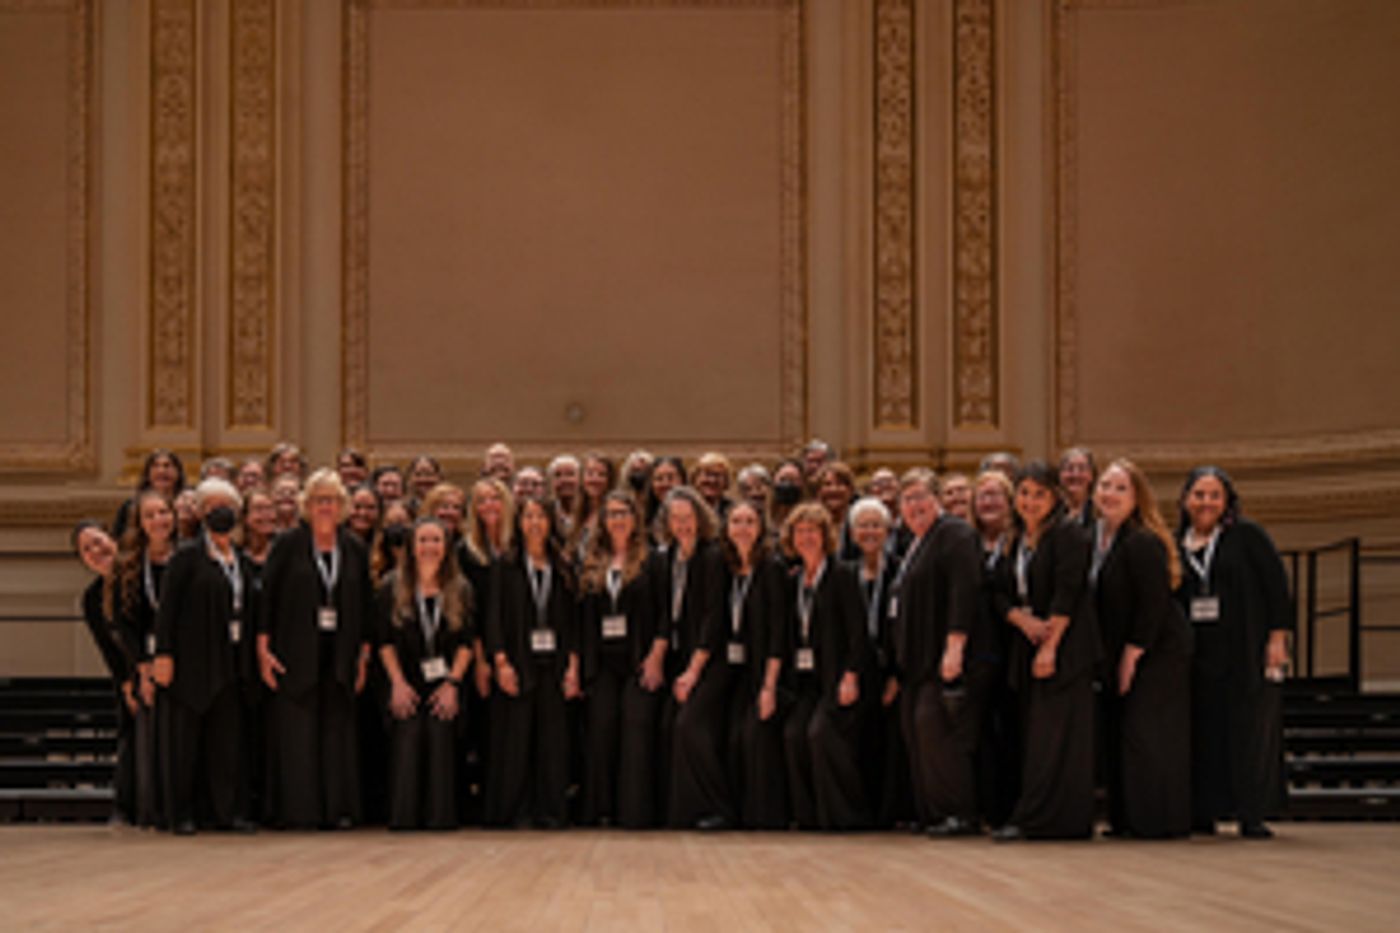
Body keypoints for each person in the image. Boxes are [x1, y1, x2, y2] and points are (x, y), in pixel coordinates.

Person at [1175, 466, 1292, 839]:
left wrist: (1277, 639)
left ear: (1226, 501)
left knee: (1247, 732)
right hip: (1198, 654)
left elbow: (1277, 588)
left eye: (1213, 495)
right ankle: (1205, 810)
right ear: (1185, 500)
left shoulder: (1247, 536)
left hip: (1243, 650)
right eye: (1198, 494)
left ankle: (1251, 812)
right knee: (1204, 733)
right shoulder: (1177, 544)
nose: (1205, 502)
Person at [991, 462, 1100, 841]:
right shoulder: (1015, 539)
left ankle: (1047, 820)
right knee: (1034, 738)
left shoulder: (1069, 535)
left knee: (1054, 739)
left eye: (1039, 494)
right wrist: (1021, 621)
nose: (1030, 501)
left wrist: (1050, 646)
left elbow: (1068, 593)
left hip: (1064, 650)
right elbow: (999, 592)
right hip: (1029, 643)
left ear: (1054, 497)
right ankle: (1036, 816)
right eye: (1024, 493)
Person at [257, 469, 373, 829]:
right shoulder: (288, 544)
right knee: (298, 735)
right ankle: (300, 812)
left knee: (337, 735)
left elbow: (366, 605)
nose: (327, 506)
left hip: (341, 654)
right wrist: (263, 649)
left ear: (343, 506)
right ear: (307, 505)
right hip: (295, 652)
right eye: (320, 500)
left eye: (334, 500)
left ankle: (337, 810)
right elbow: (266, 600)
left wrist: (364, 657)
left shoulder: (353, 547)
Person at [1092, 459, 1192, 839]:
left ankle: (1158, 821)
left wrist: (1132, 657)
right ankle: (1130, 818)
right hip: (1130, 651)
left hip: (1156, 652)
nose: (1110, 494)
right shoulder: (1103, 539)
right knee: (1129, 735)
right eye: (1105, 486)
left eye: (1120, 488)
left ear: (1137, 497)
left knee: (1149, 735)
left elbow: (1153, 604)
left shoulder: (1141, 541)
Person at [151, 479, 257, 834]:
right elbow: (167, 610)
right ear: (200, 512)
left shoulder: (240, 560)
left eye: (226, 505)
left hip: (230, 663)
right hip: (191, 663)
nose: (220, 512)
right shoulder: (186, 556)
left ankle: (227, 813)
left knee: (226, 743)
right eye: (211, 506)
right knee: (186, 743)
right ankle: (181, 814)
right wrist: (162, 654)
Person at [888, 470, 986, 837]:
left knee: (940, 736)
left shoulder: (955, 535)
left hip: (943, 658)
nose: (914, 506)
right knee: (919, 736)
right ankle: (932, 812)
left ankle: (959, 813)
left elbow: (965, 591)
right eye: (907, 499)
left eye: (920, 497)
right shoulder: (916, 542)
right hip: (916, 664)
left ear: (937, 500)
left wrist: (955, 647)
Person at [484, 496, 580, 828]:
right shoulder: (505, 564)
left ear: (551, 521)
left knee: (552, 740)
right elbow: (493, 618)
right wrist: (500, 662)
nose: (535, 522)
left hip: (554, 664)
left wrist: (573, 666)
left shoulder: (564, 566)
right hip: (518, 662)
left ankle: (551, 811)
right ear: (519, 522)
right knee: (517, 739)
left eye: (541, 516)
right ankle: (516, 810)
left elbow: (573, 621)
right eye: (528, 516)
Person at [377, 518, 474, 830]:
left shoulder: (460, 588)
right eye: (422, 540)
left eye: (436, 540)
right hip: (404, 680)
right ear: (411, 547)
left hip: (446, 681)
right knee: (408, 731)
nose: (429, 547)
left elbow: (466, 644)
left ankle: (441, 817)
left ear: (446, 548)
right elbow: (385, 642)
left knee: (440, 729)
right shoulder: (391, 585)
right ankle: (404, 817)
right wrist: (398, 685)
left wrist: (452, 685)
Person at [577, 491, 665, 828]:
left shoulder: (653, 560)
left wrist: (656, 656)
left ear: (635, 518)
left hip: (639, 659)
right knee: (601, 730)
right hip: (602, 663)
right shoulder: (591, 559)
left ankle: (636, 812)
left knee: (636, 728)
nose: (617, 519)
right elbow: (583, 617)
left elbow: (664, 614)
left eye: (624, 513)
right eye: (611, 514)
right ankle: (602, 808)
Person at [780, 503, 870, 830]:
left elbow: (860, 633)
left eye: (813, 531)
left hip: (837, 676)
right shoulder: (793, 580)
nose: (806, 537)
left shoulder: (843, 575)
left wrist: (851, 676)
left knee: (821, 734)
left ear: (825, 535)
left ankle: (841, 815)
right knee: (792, 735)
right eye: (800, 531)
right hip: (805, 680)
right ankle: (808, 815)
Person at [656, 487, 728, 830]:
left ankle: (716, 807)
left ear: (699, 519)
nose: (682, 525)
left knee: (691, 725)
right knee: (670, 724)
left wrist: (693, 671)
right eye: (675, 519)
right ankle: (682, 810)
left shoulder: (712, 557)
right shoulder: (668, 557)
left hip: (710, 660)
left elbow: (714, 619)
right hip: (679, 656)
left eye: (688, 518)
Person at [716, 500, 789, 828]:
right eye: (736, 521)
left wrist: (769, 686)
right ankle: (737, 813)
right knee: (732, 738)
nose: (742, 527)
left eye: (749, 521)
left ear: (760, 528)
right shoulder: (727, 567)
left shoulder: (771, 567)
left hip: (765, 669)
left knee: (756, 738)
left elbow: (779, 630)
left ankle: (765, 816)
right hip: (736, 668)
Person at [845, 496, 910, 828]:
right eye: (863, 525)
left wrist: (897, 675)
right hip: (857, 670)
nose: (869, 531)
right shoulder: (845, 573)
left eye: (876, 525)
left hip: (893, 670)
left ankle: (890, 814)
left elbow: (908, 626)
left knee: (890, 743)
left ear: (888, 530)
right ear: (852, 531)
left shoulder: (902, 571)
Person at [113, 488, 177, 827]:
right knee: (150, 739)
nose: (158, 520)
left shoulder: (187, 557)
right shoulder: (130, 566)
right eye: (150, 515)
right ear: (140, 523)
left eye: (163, 513)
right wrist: (143, 667)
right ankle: (153, 810)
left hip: (181, 659)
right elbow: (125, 624)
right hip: (146, 661)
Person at [73, 522, 138, 824]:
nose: (96, 551)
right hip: (128, 676)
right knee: (129, 737)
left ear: (113, 540)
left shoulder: (139, 575)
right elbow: (107, 647)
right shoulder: (91, 598)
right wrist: (126, 682)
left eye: (98, 542)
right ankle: (126, 808)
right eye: (87, 549)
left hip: (158, 669)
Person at [971, 469, 1020, 828]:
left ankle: (1014, 809)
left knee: (1014, 730)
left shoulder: (1020, 541)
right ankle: (989, 808)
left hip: (1017, 645)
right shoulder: (967, 542)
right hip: (980, 650)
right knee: (983, 732)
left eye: (996, 495)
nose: (988, 502)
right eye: (982, 495)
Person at [112, 449, 186, 541]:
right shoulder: (129, 506)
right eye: (155, 466)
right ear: (148, 474)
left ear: (178, 473)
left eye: (167, 466)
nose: (161, 471)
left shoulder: (187, 505)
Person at [816, 462, 860, 561]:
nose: (833, 489)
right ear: (819, 491)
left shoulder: (860, 522)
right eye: (827, 484)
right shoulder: (811, 523)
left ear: (851, 490)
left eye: (840, 484)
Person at [1059, 447, 1097, 529]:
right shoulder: (1050, 512)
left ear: (1091, 475)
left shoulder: (1100, 513)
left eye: (1082, 469)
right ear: (1060, 475)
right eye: (1070, 468)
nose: (1076, 474)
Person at [692, 452, 735, 521]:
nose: (712, 480)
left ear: (726, 482)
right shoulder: (686, 507)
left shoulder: (733, 510)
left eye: (717, 475)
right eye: (707, 474)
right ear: (696, 478)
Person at [546, 454, 581, 533]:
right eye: (558, 475)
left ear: (580, 479)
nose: (564, 480)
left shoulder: (591, 512)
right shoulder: (545, 512)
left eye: (570, 474)